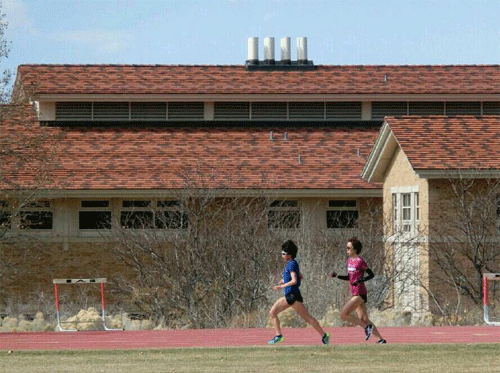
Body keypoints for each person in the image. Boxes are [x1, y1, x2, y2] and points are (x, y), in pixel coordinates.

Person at [268, 239, 330, 345]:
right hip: (294, 295)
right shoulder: (293, 263)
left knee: (272, 313)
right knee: (308, 318)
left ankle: (279, 336)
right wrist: (284, 280)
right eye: (282, 253)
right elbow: (300, 276)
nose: (282, 255)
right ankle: (324, 336)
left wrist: (282, 286)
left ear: (289, 254)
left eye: (284, 253)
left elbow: (295, 280)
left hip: (291, 296)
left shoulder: (291, 264)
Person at [330, 237, 387, 344]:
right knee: (364, 318)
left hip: (360, 293)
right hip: (354, 292)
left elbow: (371, 275)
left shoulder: (360, 261)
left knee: (343, 314)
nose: (347, 250)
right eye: (346, 248)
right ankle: (381, 339)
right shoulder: (349, 261)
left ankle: (366, 328)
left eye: (348, 248)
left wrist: (361, 280)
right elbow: (350, 277)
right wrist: (337, 276)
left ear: (355, 249)